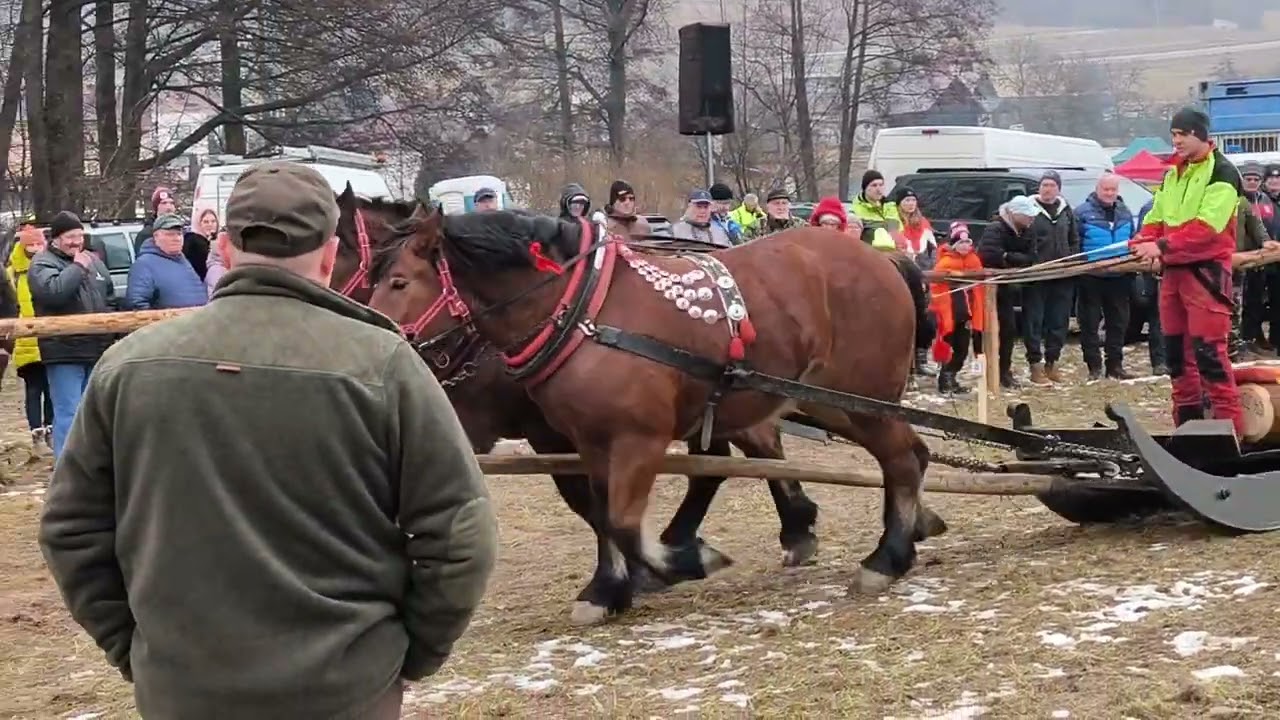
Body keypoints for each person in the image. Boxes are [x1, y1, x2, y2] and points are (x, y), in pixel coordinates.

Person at [38, 161, 499, 719]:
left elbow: (71, 531)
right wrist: (407, 653)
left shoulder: (127, 367)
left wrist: (138, 649)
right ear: (330, 255)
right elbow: (460, 534)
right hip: (347, 688)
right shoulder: (384, 364)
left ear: (226, 249)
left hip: (184, 691)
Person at [1130, 107, 1245, 436]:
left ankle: (1229, 438)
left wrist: (1161, 248)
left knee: (1210, 357)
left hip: (1206, 276)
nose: (1176, 140)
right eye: (1174, 134)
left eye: (1182, 134)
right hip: (1173, 275)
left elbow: (1208, 228)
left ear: (1201, 135)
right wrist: (1141, 242)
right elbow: (1156, 216)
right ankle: (1188, 433)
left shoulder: (1222, 172)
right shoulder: (1171, 174)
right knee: (1177, 359)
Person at [27, 211, 117, 458]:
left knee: (95, 412)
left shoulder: (94, 261)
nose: (77, 242)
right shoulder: (42, 263)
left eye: (79, 236)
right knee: (69, 412)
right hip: (64, 351)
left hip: (96, 349)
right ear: (56, 239)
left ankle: (92, 468)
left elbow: (109, 298)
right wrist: (77, 267)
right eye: (70, 236)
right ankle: (65, 470)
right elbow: (54, 292)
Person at [1075, 172, 1137, 380]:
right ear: (1098, 189)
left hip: (1120, 275)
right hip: (1091, 276)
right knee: (1089, 323)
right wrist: (1083, 265)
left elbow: (1132, 240)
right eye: (1106, 189)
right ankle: (1094, 367)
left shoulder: (1125, 212)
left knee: (1118, 323)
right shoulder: (1082, 213)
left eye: (1113, 189)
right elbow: (1075, 244)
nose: (1109, 193)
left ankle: (1115, 365)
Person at [977, 195, 1043, 389]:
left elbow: (1031, 257)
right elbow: (990, 255)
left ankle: (1004, 370)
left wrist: (1009, 257)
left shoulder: (1028, 231)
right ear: (1015, 214)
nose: (1031, 219)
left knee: (1009, 330)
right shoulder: (995, 228)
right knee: (986, 332)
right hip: (989, 287)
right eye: (1028, 215)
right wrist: (1011, 259)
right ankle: (988, 371)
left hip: (1007, 288)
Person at [1023, 171, 1080, 385]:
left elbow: (1074, 238)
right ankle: (1035, 365)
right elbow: (1024, 238)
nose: (1048, 189)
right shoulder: (1030, 209)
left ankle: (1052, 362)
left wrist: (1071, 258)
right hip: (1038, 274)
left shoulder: (1066, 211)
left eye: (1052, 185)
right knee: (1034, 321)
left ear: (1058, 188)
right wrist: (1033, 260)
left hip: (1062, 274)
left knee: (1059, 321)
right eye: (1045, 185)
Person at [8, 225, 53, 448]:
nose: (35, 248)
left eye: (38, 243)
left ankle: (50, 426)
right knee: (33, 386)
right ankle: (35, 428)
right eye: (30, 244)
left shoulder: (49, 267)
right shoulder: (13, 273)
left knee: (51, 386)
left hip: (50, 335)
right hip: (25, 340)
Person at [930, 222, 985, 395]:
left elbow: (979, 281)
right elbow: (937, 285)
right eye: (961, 243)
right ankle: (945, 379)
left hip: (967, 313)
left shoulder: (974, 260)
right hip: (951, 312)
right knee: (950, 347)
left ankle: (952, 377)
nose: (965, 246)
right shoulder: (945, 262)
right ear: (954, 244)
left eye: (967, 242)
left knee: (962, 349)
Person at [1237, 162, 1280, 354]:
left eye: (1256, 179)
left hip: (1264, 257)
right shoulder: (1237, 201)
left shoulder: (1263, 201)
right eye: (1249, 179)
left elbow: (1262, 228)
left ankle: (1257, 339)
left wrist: (1267, 243)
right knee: (1244, 303)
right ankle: (1245, 340)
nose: (1252, 182)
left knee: (1257, 301)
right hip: (1242, 257)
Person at [125, 213, 210, 309]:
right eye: (170, 234)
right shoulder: (144, 265)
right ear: (156, 237)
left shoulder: (183, 261)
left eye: (179, 234)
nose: (177, 238)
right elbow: (137, 305)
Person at [1136, 197, 1168, 375]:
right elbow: (1145, 238)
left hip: (1176, 266)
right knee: (1158, 317)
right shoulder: (1151, 207)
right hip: (1156, 269)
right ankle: (1160, 361)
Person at [850, 170, 901, 250]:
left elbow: (895, 231)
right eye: (874, 185)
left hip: (893, 253)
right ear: (865, 188)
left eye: (881, 185)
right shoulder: (855, 209)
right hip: (868, 254)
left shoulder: (891, 206)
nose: (878, 189)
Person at [897, 189, 937, 271]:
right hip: (902, 263)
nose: (911, 203)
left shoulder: (922, 220)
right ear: (899, 203)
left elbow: (932, 246)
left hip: (923, 264)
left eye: (913, 200)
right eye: (907, 200)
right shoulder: (893, 221)